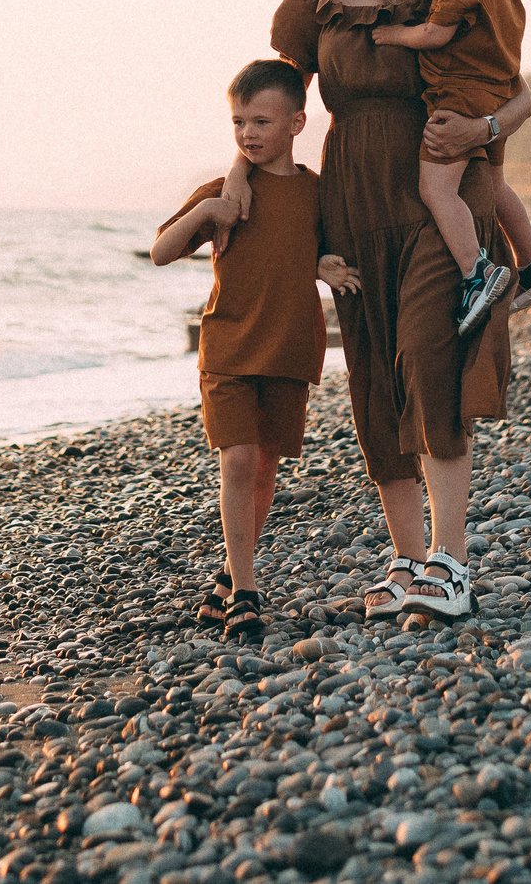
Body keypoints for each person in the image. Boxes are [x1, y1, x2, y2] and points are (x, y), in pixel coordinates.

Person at [240, 0, 531, 625]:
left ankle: (452, 563)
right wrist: (242, 175)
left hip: (430, 203)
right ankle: (406, 560)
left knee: (426, 360)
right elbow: (277, 103)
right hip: (350, 205)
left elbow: (518, 95)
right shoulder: (315, 0)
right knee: (372, 376)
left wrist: (483, 130)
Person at [152, 59, 357, 640]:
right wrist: (204, 212)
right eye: (239, 122)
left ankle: (230, 570)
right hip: (229, 347)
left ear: (297, 122)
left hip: (290, 347)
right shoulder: (223, 192)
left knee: (266, 465)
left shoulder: (317, 192)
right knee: (237, 459)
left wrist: (324, 266)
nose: (248, 134)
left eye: (262, 122)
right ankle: (245, 588)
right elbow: (162, 252)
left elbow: (303, 249)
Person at [369, 0, 531, 335]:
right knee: (495, 187)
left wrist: (394, 34)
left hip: (458, 96)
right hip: (495, 98)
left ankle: (477, 273)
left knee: (436, 189)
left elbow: (437, 34)